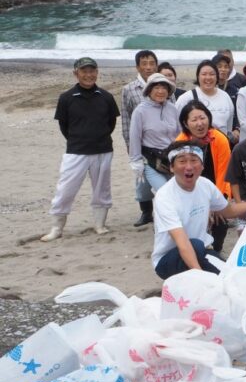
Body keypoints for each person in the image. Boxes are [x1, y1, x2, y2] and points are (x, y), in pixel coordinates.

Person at [40, 57, 120, 241]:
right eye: (84, 71)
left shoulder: (106, 97)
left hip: (102, 150)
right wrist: (79, 139)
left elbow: (111, 123)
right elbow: (64, 125)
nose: (88, 75)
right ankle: (56, 228)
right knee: (65, 189)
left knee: (102, 189)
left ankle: (100, 224)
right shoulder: (66, 98)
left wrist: (98, 137)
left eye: (92, 71)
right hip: (76, 151)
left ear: (97, 72)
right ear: (76, 73)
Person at [152, 141, 246, 279]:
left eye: (194, 161)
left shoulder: (205, 184)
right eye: (182, 161)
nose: (188, 167)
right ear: (172, 167)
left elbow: (228, 211)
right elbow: (182, 242)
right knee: (196, 247)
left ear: (202, 166)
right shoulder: (165, 196)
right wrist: (200, 277)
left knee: (229, 276)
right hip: (168, 260)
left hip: (201, 250)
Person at [174, 101, 232, 252]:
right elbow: (180, 176)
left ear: (209, 119)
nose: (199, 123)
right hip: (189, 191)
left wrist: (216, 205)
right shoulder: (180, 143)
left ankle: (216, 250)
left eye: (203, 118)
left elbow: (224, 174)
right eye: (194, 120)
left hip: (215, 190)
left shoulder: (219, 139)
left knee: (220, 220)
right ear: (185, 124)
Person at [121, 50, 158, 227]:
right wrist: (129, 145)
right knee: (141, 181)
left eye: (152, 63)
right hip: (140, 144)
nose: (148, 67)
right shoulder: (129, 89)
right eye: (144, 63)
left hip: (161, 142)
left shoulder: (163, 86)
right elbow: (126, 119)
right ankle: (146, 212)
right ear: (138, 67)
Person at [129, 73, 179, 194]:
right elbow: (135, 137)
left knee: (177, 191)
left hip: (172, 159)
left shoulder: (173, 109)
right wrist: (136, 161)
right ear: (149, 90)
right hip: (151, 161)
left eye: (164, 88)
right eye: (156, 87)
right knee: (164, 191)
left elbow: (180, 133)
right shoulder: (140, 111)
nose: (161, 91)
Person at [174, 60, 235, 140]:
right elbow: (177, 124)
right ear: (198, 77)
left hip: (220, 144)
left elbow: (229, 124)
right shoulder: (186, 98)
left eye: (212, 74)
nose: (208, 77)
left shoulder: (225, 96)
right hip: (193, 146)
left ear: (217, 77)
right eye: (204, 74)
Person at [212, 52, 242, 144]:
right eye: (219, 66)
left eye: (226, 67)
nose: (223, 69)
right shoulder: (207, 90)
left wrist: (237, 129)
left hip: (230, 134)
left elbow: (239, 112)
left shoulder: (234, 90)